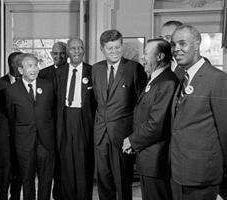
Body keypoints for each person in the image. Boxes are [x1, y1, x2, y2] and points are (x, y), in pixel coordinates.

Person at [170, 24, 227, 200]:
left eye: (182, 43)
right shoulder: (182, 77)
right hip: (179, 172)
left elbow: (225, 132)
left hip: (203, 175)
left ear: (196, 44)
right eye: (173, 44)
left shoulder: (217, 79)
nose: (176, 49)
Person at [92, 29, 147, 200]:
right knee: (104, 179)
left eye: (117, 47)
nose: (114, 51)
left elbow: (141, 105)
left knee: (123, 181)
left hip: (123, 135)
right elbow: (96, 102)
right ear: (102, 48)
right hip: (101, 134)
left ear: (122, 46)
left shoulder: (134, 68)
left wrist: (135, 136)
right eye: (110, 48)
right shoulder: (96, 69)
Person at [122, 38, 178, 200]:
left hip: (156, 159)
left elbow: (156, 124)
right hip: (147, 157)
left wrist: (132, 141)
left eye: (146, 54)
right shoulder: (154, 79)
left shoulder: (167, 82)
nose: (142, 58)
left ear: (160, 57)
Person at [6, 53, 55, 200]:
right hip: (24, 142)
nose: (34, 69)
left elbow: (52, 112)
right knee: (27, 179)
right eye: (29, 66)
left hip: (45, 142)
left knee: (46, 180)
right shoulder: (11, 90)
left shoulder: (48, 86)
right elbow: (11, 117)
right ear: (21, 70)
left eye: (35, 65)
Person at [54, 38, 95, 200]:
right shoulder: (58, 72)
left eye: (80, 48)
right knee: (65, 162)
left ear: (84, 50)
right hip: (63, 120)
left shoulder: (93, 71)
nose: (77, 51)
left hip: (84, 121)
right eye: (73, 48)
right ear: (68, 52)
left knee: (83, 161)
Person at [38, 41, 67, 200]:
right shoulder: (42, 73)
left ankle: (60, 195)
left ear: (67, 54)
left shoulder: (72, 72)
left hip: (66, 125)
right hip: (47, 126)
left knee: (63, 164)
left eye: (62, 53)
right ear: (50, 54)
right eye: (55, 53)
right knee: (48, 165)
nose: (58, 56)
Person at [0, 51, 23, 200]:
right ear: (11, 64)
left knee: (20, 169)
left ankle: (15, 196)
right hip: (3, 136)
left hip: (22, 135)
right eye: (19, 63)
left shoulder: (27, 83)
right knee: (4, 169)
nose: (22, 66)